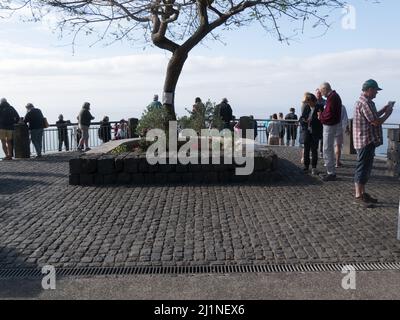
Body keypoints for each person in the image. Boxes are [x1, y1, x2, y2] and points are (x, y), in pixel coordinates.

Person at [353, 79, 393, 207]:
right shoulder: (365, 103)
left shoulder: (365, 102)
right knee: (363, 168)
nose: (377, 93)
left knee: (365, 167)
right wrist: (388, 114)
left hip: (365, 140)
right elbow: (375, 122)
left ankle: (363, 193)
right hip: (366, 140)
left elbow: (373, 116)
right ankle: (359, 195)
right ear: (370, 89)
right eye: (376, 90)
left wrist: (383, 109)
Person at [319, 82, 342, 181]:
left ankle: (331, 172)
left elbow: (329, 114)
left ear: (325, 89)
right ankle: (330, 171)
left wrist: (320, 117)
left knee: (327, 148)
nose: (321, 93)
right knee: (328, 148)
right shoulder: (334, 96)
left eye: (321, 90)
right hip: (332, 124)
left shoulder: (332, 97)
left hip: (330, 125)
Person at [299, 93, 323, 175]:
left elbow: (320, 120)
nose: (307, 103)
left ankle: (314, 167)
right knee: (306, 149)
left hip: (315, 132)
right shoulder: (306, 107)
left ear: (312, 101)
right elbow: (301, 118)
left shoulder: (319, 107)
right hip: (307, 131)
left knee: (314, 150)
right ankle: (306, 166)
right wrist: (304, 121)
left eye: (308, 102)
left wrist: (311, 121)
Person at [316, 88, 326, 158]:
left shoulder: (325, 102)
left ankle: (321, 151)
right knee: (315, 137)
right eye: (317, 93)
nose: (318, 94)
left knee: (322, 138)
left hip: (323, 122)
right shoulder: (313, 101)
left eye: (319, 93)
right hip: (315, 122)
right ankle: (314, 151)